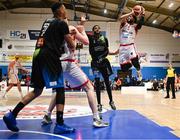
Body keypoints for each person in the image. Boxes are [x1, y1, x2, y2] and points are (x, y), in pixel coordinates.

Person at [3, 2, 76, 134]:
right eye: (65, 9)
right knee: (60, 88)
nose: (66, 12)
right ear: (60, 11)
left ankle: (12, 115)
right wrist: (73, 43)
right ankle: (60, 124)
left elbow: (53, 36)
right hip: (49, 56)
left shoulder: (47, 21)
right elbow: (70, 44)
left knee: (37, 90)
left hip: (37, 54)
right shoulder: (61, 23)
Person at [41, 17, 108, 127]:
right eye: (66, 18)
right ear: (64, 20)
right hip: (68, 63)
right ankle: (96, 118)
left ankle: (47, 115)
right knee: (89, 87)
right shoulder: (70, 28)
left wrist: (81, 24)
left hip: (56, 63)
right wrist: (82, 30)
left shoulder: (53, 31)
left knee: (57, 90)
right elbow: (86, 42)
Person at [109, 5, 145, 83]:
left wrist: (142, 15)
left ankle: (139, 71)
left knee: (135, 61)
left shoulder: (135, 27)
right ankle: (132, 60)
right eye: (129, 16)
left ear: (134, 19)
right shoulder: (123, 24)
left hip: (130, 46)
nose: (129, 17)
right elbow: (121, 17)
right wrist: (131, 12)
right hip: (122, 47)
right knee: (124, 69)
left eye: (131, 17)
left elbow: (140, 24)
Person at [88, 25, 116, 112]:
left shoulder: (104, 38)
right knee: (97, 84)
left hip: (103, 62)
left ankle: (111, 101)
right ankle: (99, 104)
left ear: (100, 30)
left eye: (98, 28)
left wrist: (101, 57)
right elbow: (90, 51)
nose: (97, 29)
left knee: (107, 83)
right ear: (93, 30)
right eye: (95, 28)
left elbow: (107, 51)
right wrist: (96, 59)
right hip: (95, 63)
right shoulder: (91, 39)